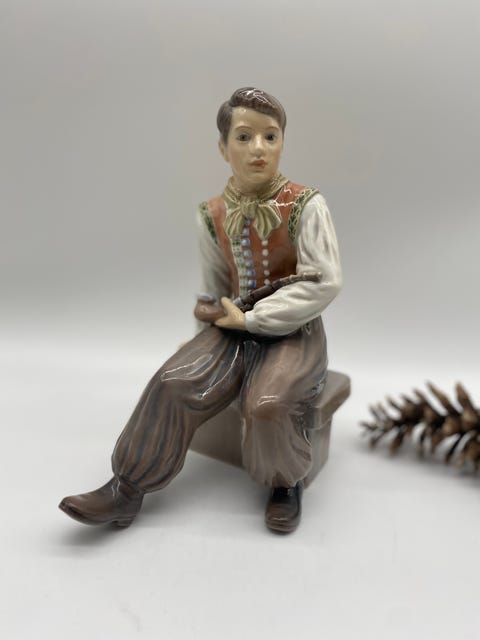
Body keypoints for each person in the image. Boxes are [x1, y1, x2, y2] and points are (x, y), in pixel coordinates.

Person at [59, 87, 342, 534]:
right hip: (231, 328)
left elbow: (324, 281)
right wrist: (202, 336)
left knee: (267, 405)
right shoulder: (211, 214)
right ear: (223, 147)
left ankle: (285, 483)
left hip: (293, 332)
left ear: (282, 143)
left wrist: (256, 319)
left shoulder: (307, 206)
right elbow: (214, 288)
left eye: (270, 137)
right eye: (245, 137)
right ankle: (125, 489)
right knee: (172, 381)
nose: (259, 148)